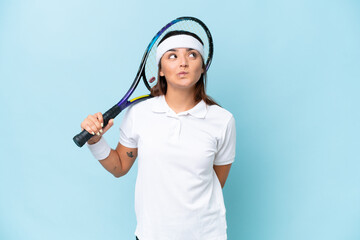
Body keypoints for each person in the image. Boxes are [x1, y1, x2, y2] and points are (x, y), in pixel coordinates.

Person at [81, 30, 236, 240]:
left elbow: (214, 182)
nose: (183, 62)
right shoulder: (139, 114)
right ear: (161, 70)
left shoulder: (222, 120)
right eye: (172, 55)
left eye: (192, 54)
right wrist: (95, 141)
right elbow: (119, 167)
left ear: (202, 67)